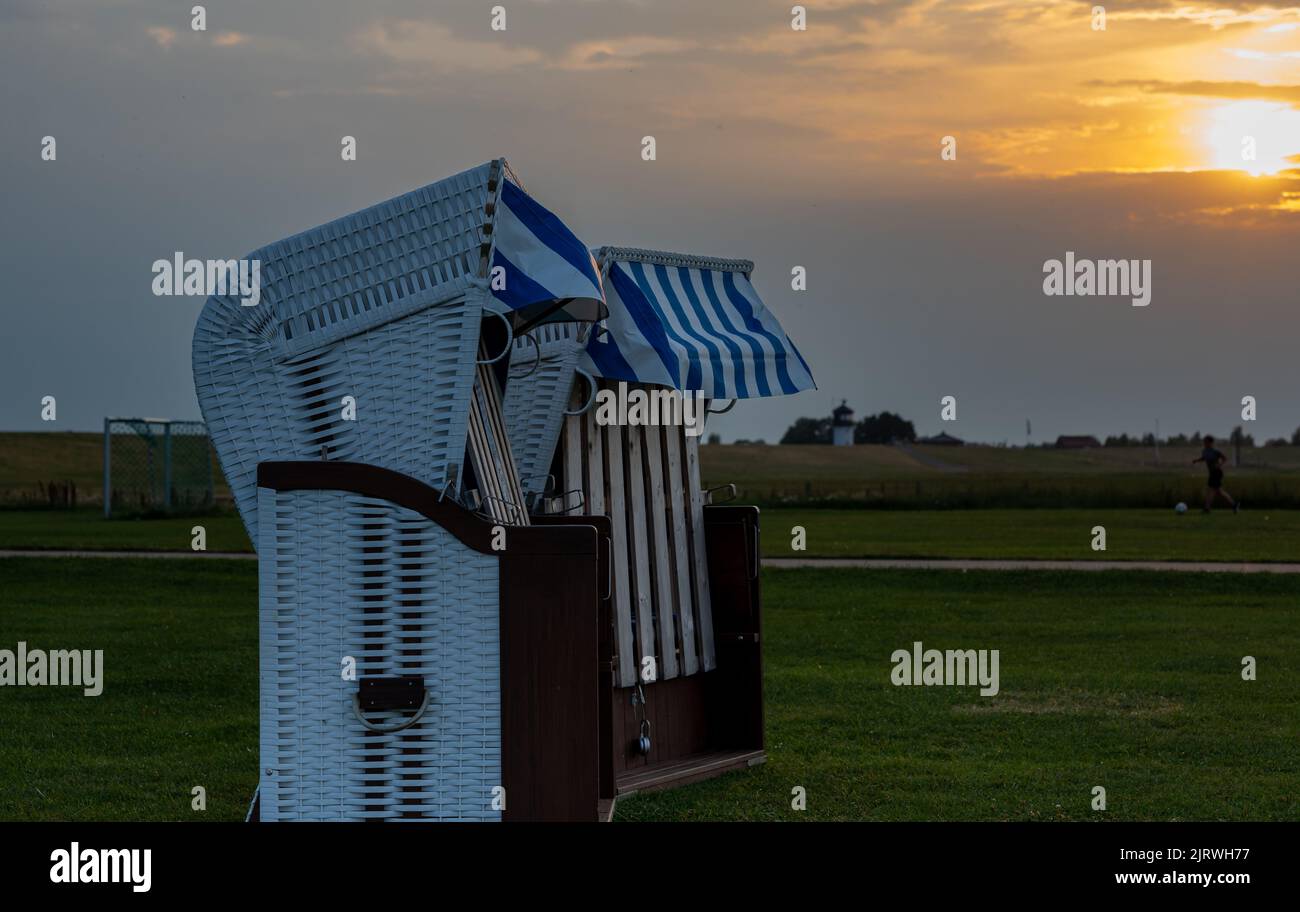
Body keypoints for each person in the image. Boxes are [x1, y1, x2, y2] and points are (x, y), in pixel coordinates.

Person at [1191, 435, 1238, 514]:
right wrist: (1196, 460)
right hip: (1212, 473)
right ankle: (1234, 505)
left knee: (1211, 490)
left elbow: (1224, 458)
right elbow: (1204, 458)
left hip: (1217, 472)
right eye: (1204, 442)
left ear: (1211, 443)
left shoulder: (1215, 451)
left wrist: (1219, 465)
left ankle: (1207, 508)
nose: (1205, 443)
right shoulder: (1204, 451)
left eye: (1206, 442)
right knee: (1219, 492)